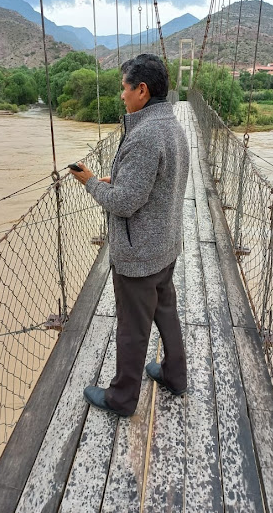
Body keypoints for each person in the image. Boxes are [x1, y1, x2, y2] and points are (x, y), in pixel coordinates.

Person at [70, 53, 189, 417]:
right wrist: (118, 182)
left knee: (132, 329)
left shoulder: (145, 135)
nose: (121, 95)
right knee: (166, 312)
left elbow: (123, 204)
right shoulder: (172, 125)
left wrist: (90, 181)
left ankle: (122, 398)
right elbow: (152, 184)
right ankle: (175, 375)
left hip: (139, 256)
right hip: (165, 244)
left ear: (141, 89)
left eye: (124, 87)